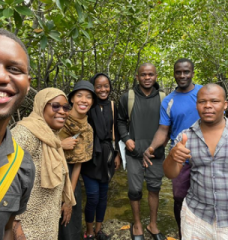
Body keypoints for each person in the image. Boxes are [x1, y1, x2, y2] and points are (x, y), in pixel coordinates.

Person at [143, 58, 202, 239]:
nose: (182, 75)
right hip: (179, 158)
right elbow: (163, 129)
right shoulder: (168, 100)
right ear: (174, 73)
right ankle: (183, 232)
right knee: (179, 199)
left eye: (186, 72)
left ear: (192, 72)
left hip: (206, 155)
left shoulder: (203, 93)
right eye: (178, 72)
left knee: (206, 198)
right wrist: (151, 147)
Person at [163, 83, 228, 239]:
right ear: (196, 105)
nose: (207, 106)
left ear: (225, 105)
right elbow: (170, 174)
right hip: (195, 216)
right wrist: (172, 156)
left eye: (214, 101)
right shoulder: (185, 137)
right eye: (202, 102)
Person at [11, 88, 76, 240]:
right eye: (55, 106)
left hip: (46, 224)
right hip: (25, 228)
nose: (62, 111)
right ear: (41, 106)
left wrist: (66, 201)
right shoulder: (25, 133)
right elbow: (5, 180)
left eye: (66, 107)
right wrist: (15, 225)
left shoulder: (51, 135)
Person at [118, 63, 166, 240]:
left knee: (154, 188)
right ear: (137, 77)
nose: (147, 78)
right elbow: (121, 121)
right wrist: (126, 138)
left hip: (156, 154)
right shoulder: (127, 97)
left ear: (156, 76)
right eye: (143, 75)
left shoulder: (163, 98)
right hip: (134, 153)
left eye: (151, 74)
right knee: (134, 191)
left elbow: (167, 125)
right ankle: (137, 224)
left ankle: (152, 224)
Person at [0, 29, 35, 240]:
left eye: (13, 69)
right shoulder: (26, 131)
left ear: (28, 84)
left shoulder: (22, 165)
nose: (2, 76)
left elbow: (7, 228)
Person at [81, 73, 121, 240]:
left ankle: (98, 230)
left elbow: (116, 131)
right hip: (90, 155)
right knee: (92, 196)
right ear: (93, 88)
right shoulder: (88, 105)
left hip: (107, 155)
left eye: (106, 86)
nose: (103, 89)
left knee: (103, 196)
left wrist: (117, 155)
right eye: (99, 86)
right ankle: (89, 231)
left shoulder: (112, 105)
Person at [58, 80, 95, 240]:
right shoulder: (58, 117)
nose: (83, 100)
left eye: (88, 97)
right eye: (79, 95)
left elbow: (78, 165)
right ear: (71, 99)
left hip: (70, 179)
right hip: (48, 176)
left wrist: (68, 198)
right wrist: (59, 144)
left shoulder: (87, 130)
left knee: (69, 225)